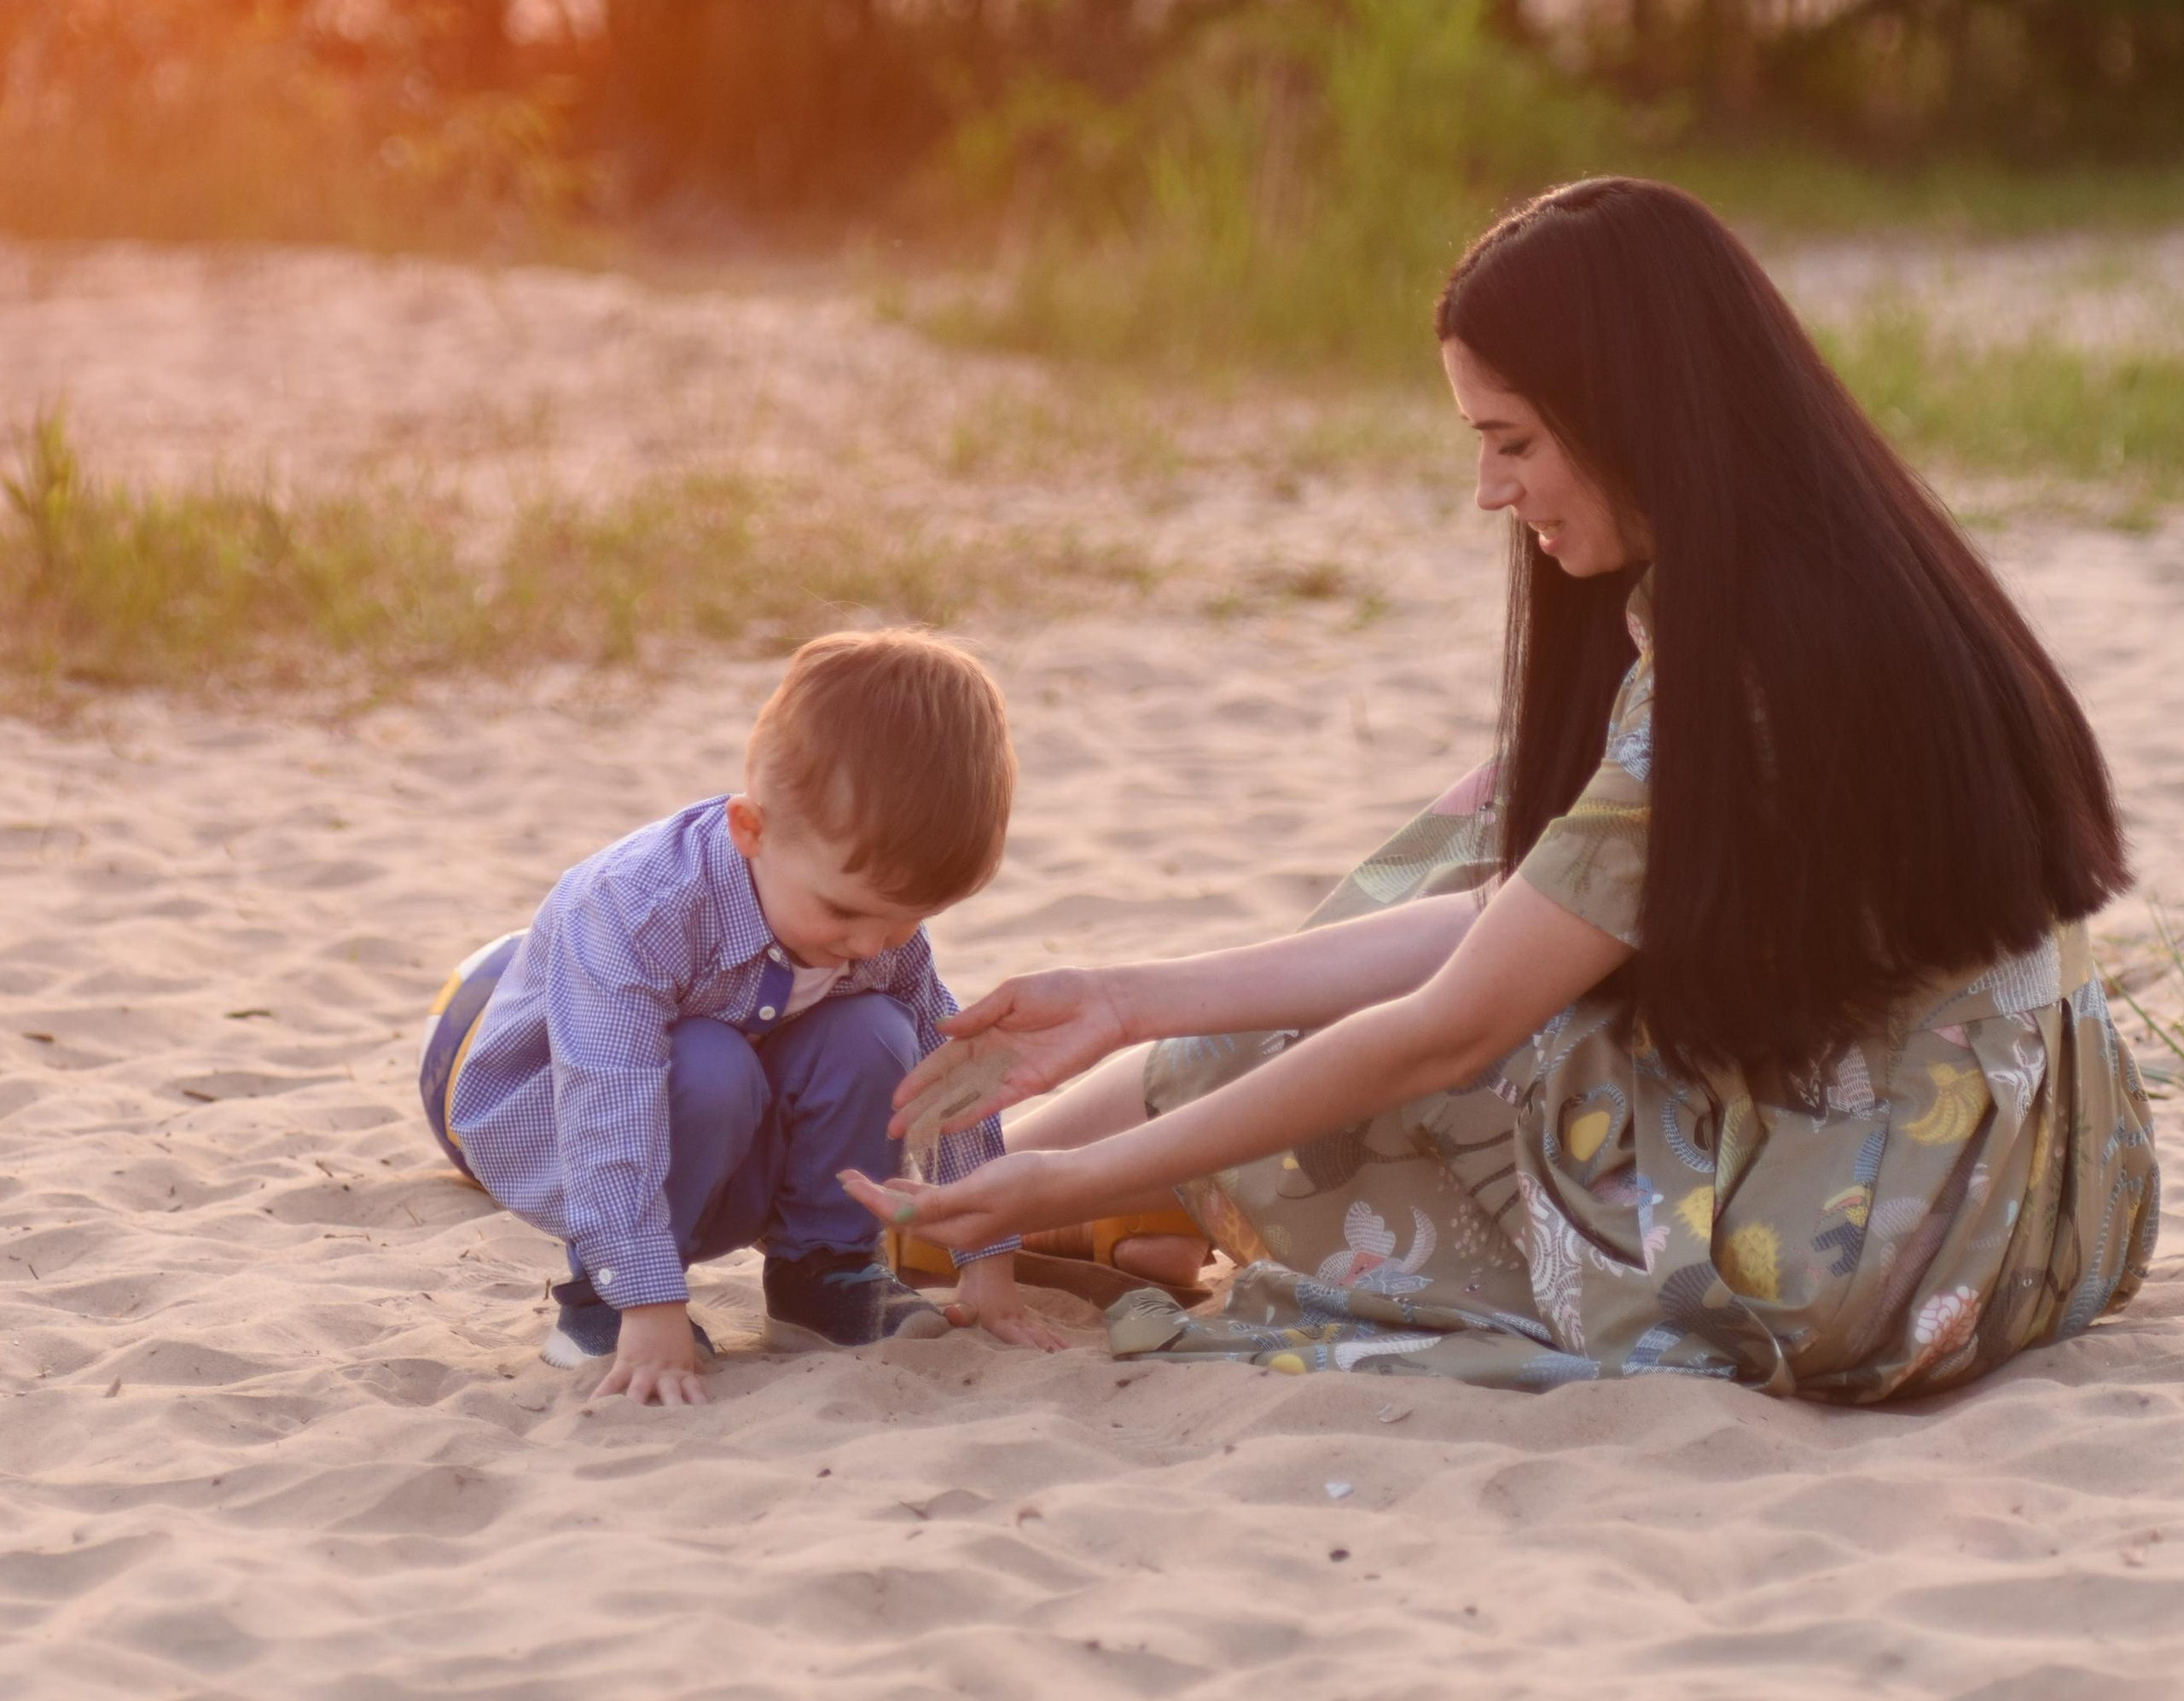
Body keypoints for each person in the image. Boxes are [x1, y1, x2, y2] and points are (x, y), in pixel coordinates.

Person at [851, 178, 2160, 1399]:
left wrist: (1068, 1166)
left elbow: (1455, 1028)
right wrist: (1128, 999)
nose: (1490, 490)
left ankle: (1024, 1193)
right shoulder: (1851, 565)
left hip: (1870, 1256)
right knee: (1488, 851)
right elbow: (1519, 915)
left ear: (1634, 411)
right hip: (2053, 1200)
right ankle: (1050, 1190)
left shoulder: (1743, 678)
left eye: (1514, 441)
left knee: (1433, 1028)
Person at [419, 628, 1064, 1407]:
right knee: (707, 1060)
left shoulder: (867, 923)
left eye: (902, 923)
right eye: (846, 914)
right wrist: (647, 1302)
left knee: (879, 1032)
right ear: (749, 830)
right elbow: (605, 1101)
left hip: (746, 1142)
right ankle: (599, 1301)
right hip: (579, 1143)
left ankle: (823, 1273)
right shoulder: (636, 909)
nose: (869, 945)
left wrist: (987, 1262)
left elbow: (949, 1078)